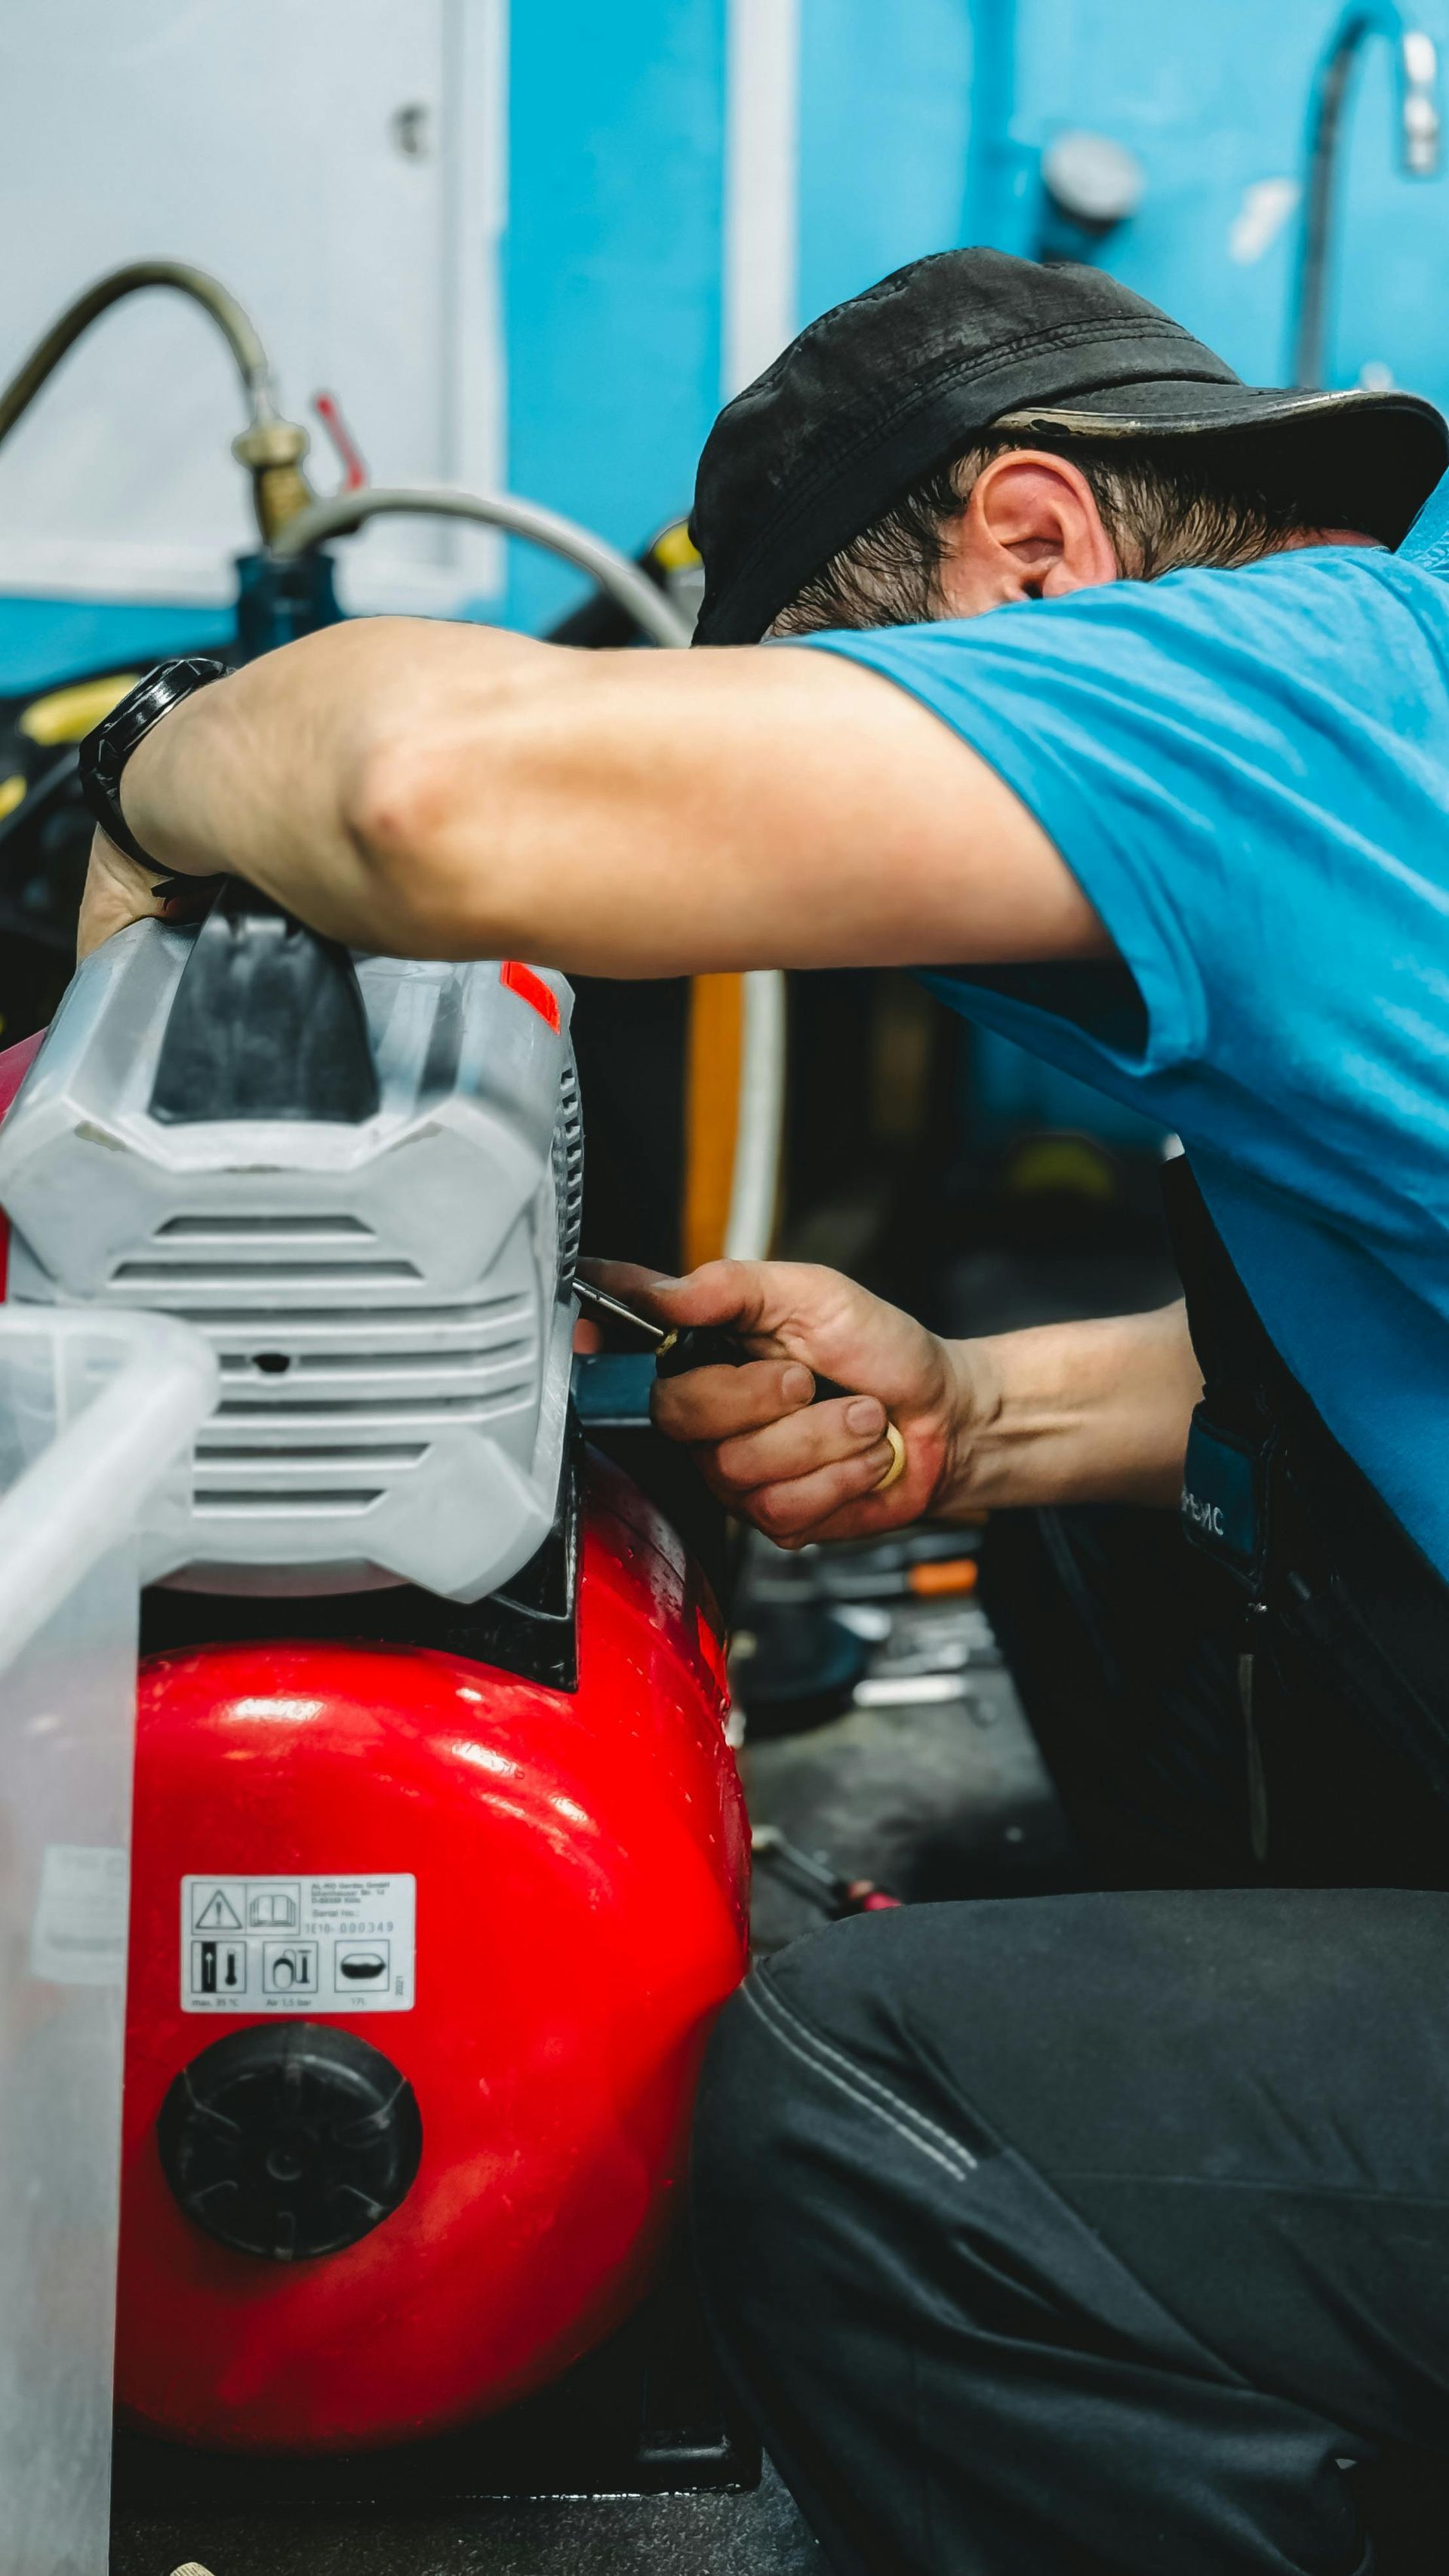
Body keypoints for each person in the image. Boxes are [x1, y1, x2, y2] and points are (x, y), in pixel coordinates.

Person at [72, 249, 1449, 2572]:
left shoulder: (1287, 690)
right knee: (1094, 1549)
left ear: (1035, 545)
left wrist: (145, 769)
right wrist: (975, 1419)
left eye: (821, 710)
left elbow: (426, 795)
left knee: (862, 2102)